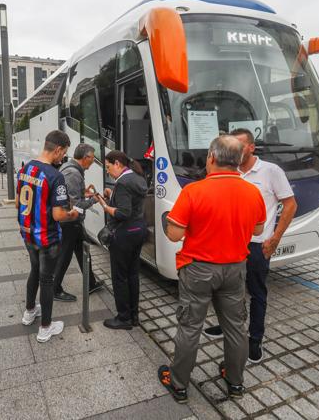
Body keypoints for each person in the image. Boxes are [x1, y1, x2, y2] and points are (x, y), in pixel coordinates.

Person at [156, 135, 266, 404]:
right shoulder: (253, 192)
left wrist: (168, 222)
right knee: (236, 328)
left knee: (190, 327)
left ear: (212, 158)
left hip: (198, 270)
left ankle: (179, 384)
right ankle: (235, 381)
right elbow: (258, 230)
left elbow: (174, 234)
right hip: (235, 270)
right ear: (238, 160)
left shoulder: (194, 191)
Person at [203, 128, 297, 363]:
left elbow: (290, 205)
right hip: (230, 244)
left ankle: (255, 339)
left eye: (240, 145)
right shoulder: (229, 171)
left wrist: (275, 238)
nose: (235, 149)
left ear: (252, 147)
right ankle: (228, 326)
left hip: (257, 245)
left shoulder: (270, 171)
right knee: (229, 292)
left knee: (257, 293)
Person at [17, 130, 79, 343]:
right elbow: (58, 214)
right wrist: (73, 213)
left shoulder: (26, 168)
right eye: (63, 154)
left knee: (34, 270)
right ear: (58, 149)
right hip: (47, 237)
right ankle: (45, 327)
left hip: (27, 234)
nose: (63, 158)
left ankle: (29, 311)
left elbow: (18, 203)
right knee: (47, 279)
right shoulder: (55, 176)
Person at [95, 150, 148, 330]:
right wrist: (113, 195)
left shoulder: (124, 182)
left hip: (124, 233)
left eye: (108, 167)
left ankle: (123, 318)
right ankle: (134, 316)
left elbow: (123, 213)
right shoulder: (138, 177)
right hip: (138, 229)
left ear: (117, 163)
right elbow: (131, 204)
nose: (108, 171)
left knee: (120, 277)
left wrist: (104, 204)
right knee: (132, 274)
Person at [53, 143, 104, 302]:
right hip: (70, 222)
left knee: (83, 252)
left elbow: (70, 193)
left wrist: (84, 192)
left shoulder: (68, 167)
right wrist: (93, 200)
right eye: (92, 157)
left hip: (72, 222)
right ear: (86, 157)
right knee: (65, 256)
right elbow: (74, 206)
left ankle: (91, 283)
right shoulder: (73, 174)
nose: (93, 161)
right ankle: (55, 289)